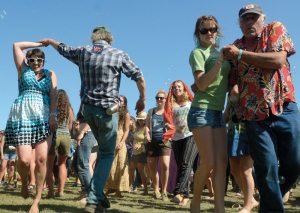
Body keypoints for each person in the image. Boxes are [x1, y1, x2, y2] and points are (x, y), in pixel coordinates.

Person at [40, 26, 146, 213]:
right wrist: (142, 98)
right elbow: (139, 76)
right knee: (106, 154)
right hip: (107, 112)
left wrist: (50, 41)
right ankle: (94, 197)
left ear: (94, 39)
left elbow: (63, 48)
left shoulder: (83, 51)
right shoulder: (118, 54)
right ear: (109, 39)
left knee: (99, 154)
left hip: (88, 110)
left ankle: (99, 199)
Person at [222, 4, 300, 212]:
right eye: (245, 19)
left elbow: (277, 60)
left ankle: (269, 198)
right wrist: (233, 91)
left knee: (295, 164)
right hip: (254, 116)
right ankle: (271, 204)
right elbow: (231, 81)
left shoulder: (274, 29)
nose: (250, 22)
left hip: (285, 107)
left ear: (262, 19)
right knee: (266, 168)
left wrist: (239, 55)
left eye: (253, 18)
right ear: (240, 23)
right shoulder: (236, 45)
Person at [4, 41, 57, 213]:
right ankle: (25, 182)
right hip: (23, 117)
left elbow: (54, 95)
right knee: (25, 161)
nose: (36, 62)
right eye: (32, 59)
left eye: (39, 60)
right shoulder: (22, 70)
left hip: (43, 118)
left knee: (41, 159)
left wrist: (52, 115)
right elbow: (16, 45)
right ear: (27, 60)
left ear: (43, 62)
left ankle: (37, 200)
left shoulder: (50, 74)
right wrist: (42, 43)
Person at [188, 16, 231, 213]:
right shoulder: (197, 53)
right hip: (201, 110)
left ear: (217, 30)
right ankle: (195, 202)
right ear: (198, 34)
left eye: (212, 29)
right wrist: (220, 61)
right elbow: (202, 84)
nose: (209, 33)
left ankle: (219, 209)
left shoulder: (221, 52)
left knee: (222, 162)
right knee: (209, 162)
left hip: (218, 112)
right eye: (204, 30)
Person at [224, 85, 258, 212]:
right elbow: (227, 113)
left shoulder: (248, 84)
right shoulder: (229, 92)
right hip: (233, 133)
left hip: (248, 132)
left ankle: (248, 205)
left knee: (245, 170)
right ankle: (251, 200)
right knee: (234, 170)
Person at [164, 80, 197, 206]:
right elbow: (169, 120)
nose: (177, 89)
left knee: (185, 163)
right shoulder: (172, 105)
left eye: (179, 87)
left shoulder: (190, 103)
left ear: (184, 89)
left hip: (191, 135)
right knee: (181, 167)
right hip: (177, 137)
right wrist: (169, 125)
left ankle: (177, 192)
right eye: (174, 87)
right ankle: (186, 196)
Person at [47, 89, 74, 198]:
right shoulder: (70, 110)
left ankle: (50, 192)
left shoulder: (52, 108)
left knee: (49, 166)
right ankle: (60, 191)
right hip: (66, 137)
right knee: (62, 165)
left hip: (54, 135)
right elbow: (70, 126)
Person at [145, 90, 171, 201]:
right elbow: (146, 126)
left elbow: (174, 124)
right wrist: (146, 134)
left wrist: (170, 126)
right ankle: (156, 189)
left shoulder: (169, 111)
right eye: (157, 98)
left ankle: (164, 190)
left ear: (166, 99)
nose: (159, 99)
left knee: (165, 165)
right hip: (152, 141)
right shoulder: (151, 111)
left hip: (165, 141)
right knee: (152, 166)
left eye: (161, 98)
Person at [106, 95, 131, 197]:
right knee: (111, 165)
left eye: (120, 100)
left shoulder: (126, 114)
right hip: (110, 138)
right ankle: (110, 187)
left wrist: (122, 142)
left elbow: (126, 130)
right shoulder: (111, 112)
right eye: (117, 100)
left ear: (124, 103)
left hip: (120, 139)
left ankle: (119, 190)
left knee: (121, 164)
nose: (118, 102)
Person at [129, 111, 148, 195]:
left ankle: (145, 189)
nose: (141, 121)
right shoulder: (136, 128)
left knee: (141, 171)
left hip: (142, 151)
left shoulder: (146, 128)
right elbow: (133, 138)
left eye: (143, 119)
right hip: (134, 151)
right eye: (140, 119)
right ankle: (128, 187)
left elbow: (147, 140)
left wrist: (140, 144)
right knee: (131, 169)